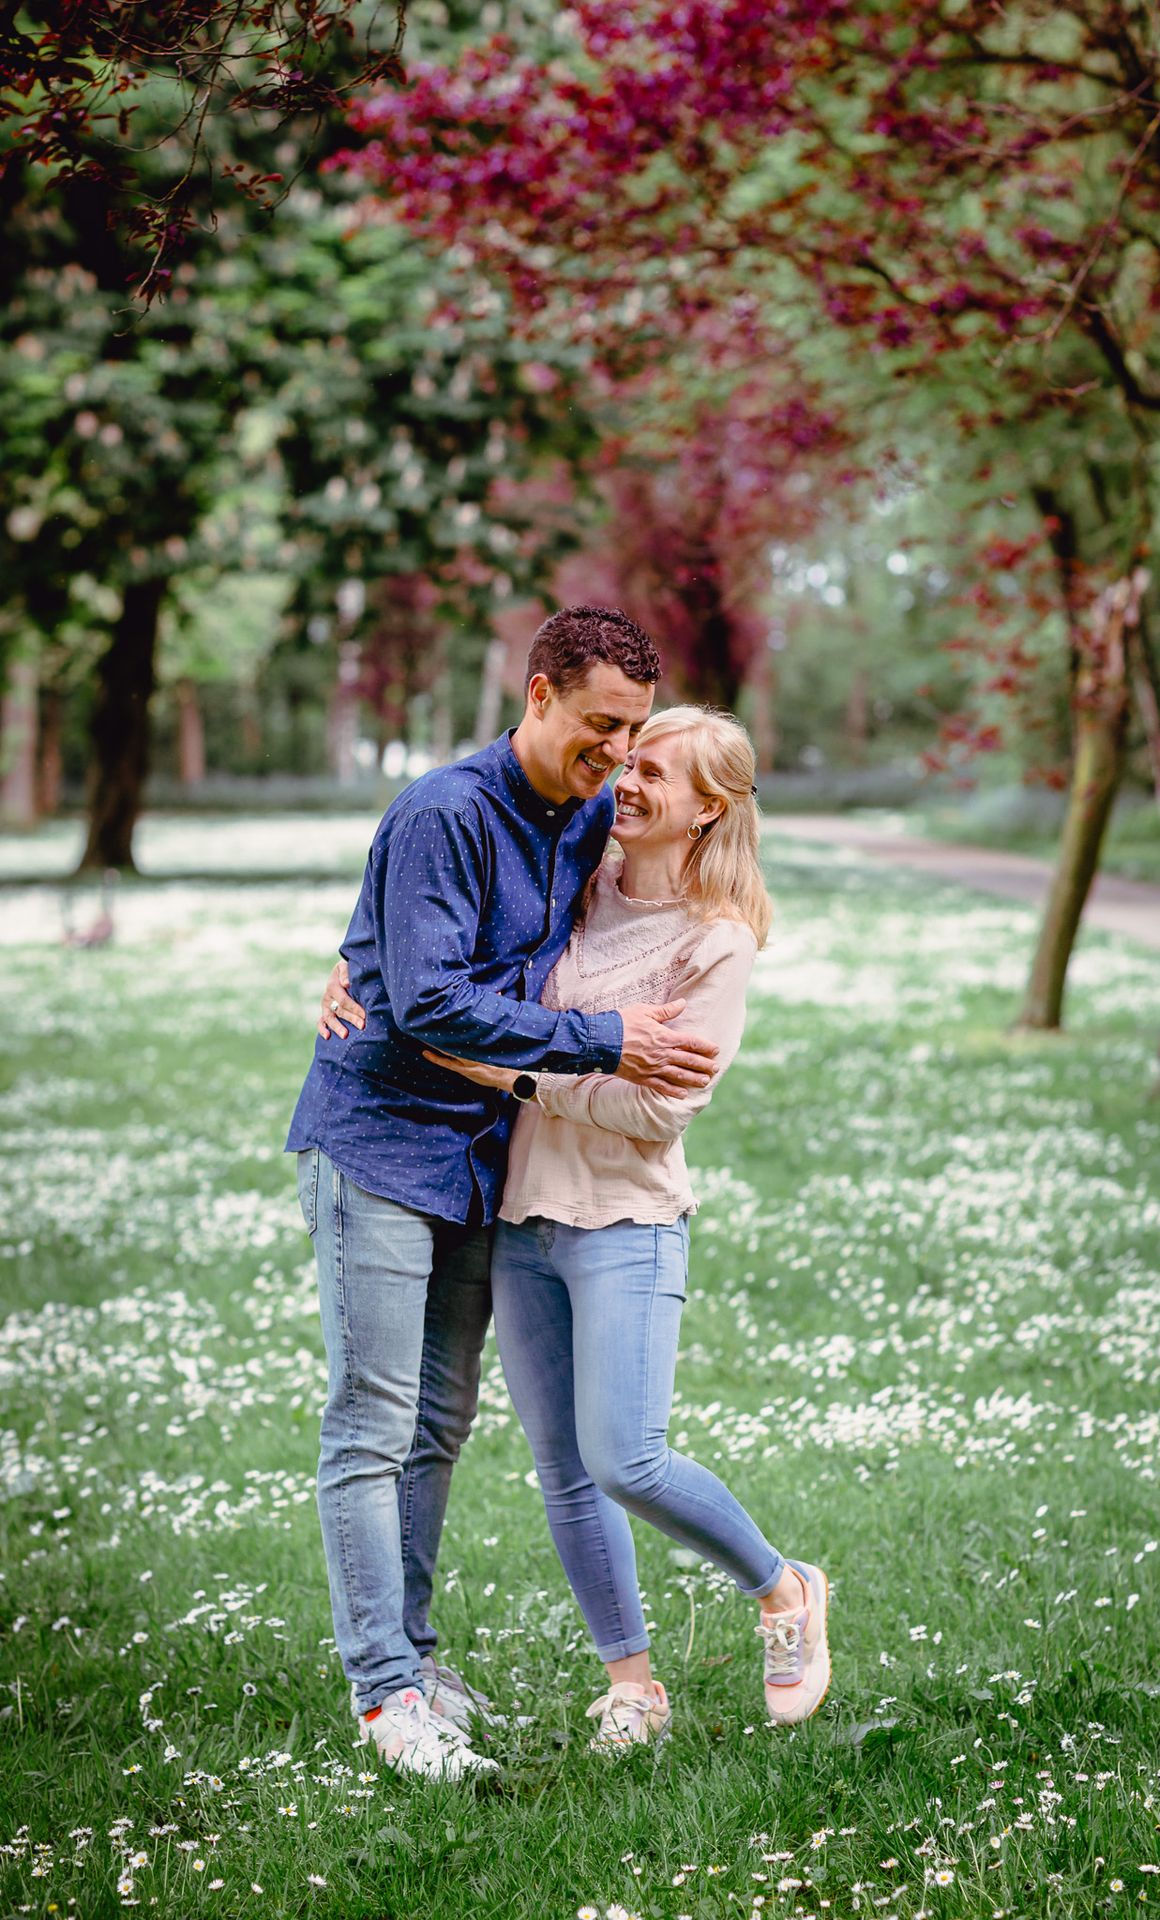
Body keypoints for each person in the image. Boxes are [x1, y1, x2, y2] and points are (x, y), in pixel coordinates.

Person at [325, 707, 830, 1752]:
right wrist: (352, 969)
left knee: (625, 1458)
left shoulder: (715, 940)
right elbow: (441, 938)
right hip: (517, 1216)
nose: (626, 782)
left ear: (709, 810)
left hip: (626, 1221)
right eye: (628, 762)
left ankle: (781, 1587)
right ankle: (632, 1689)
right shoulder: (579, 876)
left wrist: (516, 1075)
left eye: (654, 772)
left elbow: (657, 1111)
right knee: (562, 1470)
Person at [288, 607, 720, 1779]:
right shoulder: (444, 809)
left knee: (434, 1425)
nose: (617, 753)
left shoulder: (585, 814)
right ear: (536, 698)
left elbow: (671, 872)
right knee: (371, 1424)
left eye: (631, 731)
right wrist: (603, 1039)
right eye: (597, 725)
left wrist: (350, 952)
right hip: (377, 1143)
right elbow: (426, 1002)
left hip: (481, 1151)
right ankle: (385, 1701)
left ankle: (416, 1661)